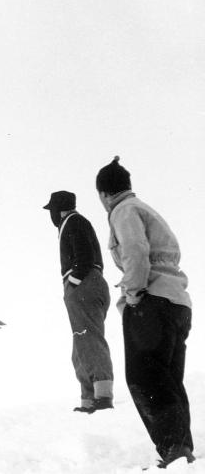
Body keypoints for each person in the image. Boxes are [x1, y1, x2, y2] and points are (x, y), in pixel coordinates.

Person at [96, 156, 194, 468]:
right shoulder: (147, 209)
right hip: (177, 302)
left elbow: (135, 250)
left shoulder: (122, 210)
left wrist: (134, 293)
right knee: (167, 380)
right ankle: (180, 452)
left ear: (104, 194)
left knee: (144, 377)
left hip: (151, 301)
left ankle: (174, 450)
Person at [43, 190, 114, 414]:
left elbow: (84, 257)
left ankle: (102, 396)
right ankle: (89, 398)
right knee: (81, 341)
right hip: (86, 284)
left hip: (84, 284)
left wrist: (73, 282)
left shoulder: (74, 222)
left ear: (59, 209)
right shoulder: (74, 222)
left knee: (88, 338)